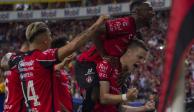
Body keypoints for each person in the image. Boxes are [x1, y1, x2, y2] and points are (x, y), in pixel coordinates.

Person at [15, 15, 107, 112]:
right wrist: (97, 24)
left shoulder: (22, 61)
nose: (51, 39)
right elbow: (73, 46)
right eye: (50, 35)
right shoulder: (43, 58)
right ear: (45, 40)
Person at [75, 0, 154, 111]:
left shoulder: (133, 32)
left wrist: (127, 72)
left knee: (112, 101)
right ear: (137, 12)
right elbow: (97, 31)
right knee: (95, 96)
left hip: (102, 66)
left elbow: (127, 54)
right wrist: (103, 54)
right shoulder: (127, 24)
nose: (153, 13)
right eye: (149, 9)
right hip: (87, 63)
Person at [93, 38, 155, 112]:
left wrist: (144, 108)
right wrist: (126, 97)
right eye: (140, 57)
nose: (142, 62)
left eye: (144, 59)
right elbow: (103, 98)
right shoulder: (107, 64)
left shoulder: (126, 78)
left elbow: (120, 108)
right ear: (129, 52)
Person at [1, 41, 29, 112]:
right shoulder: (23, 62)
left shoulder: (11, 67)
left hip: (8, 108)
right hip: (17, 108)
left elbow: (2, 64)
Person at [51, 37, 73, 112]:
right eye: (68, 48)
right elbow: (50, 96)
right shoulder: (52, 69)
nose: (72, 50)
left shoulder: (65, 70)